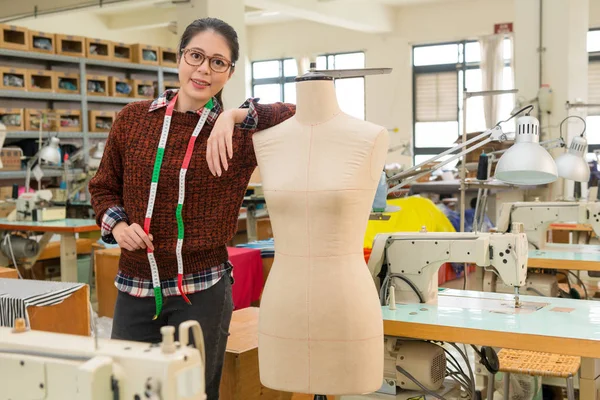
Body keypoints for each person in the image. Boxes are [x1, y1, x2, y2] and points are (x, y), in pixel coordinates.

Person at [89, 17, 295, 399]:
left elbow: (298, 112)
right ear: (180, 58)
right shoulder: (132, 120)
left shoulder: (239, 136)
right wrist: (117, 227)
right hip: (135, 289)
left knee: (192, 393)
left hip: (202, 293)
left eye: (218, 62)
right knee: (128, 391)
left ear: (230, 72)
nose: (204, 69)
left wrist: (235, 116)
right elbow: (102, 188)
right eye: (196, 55)